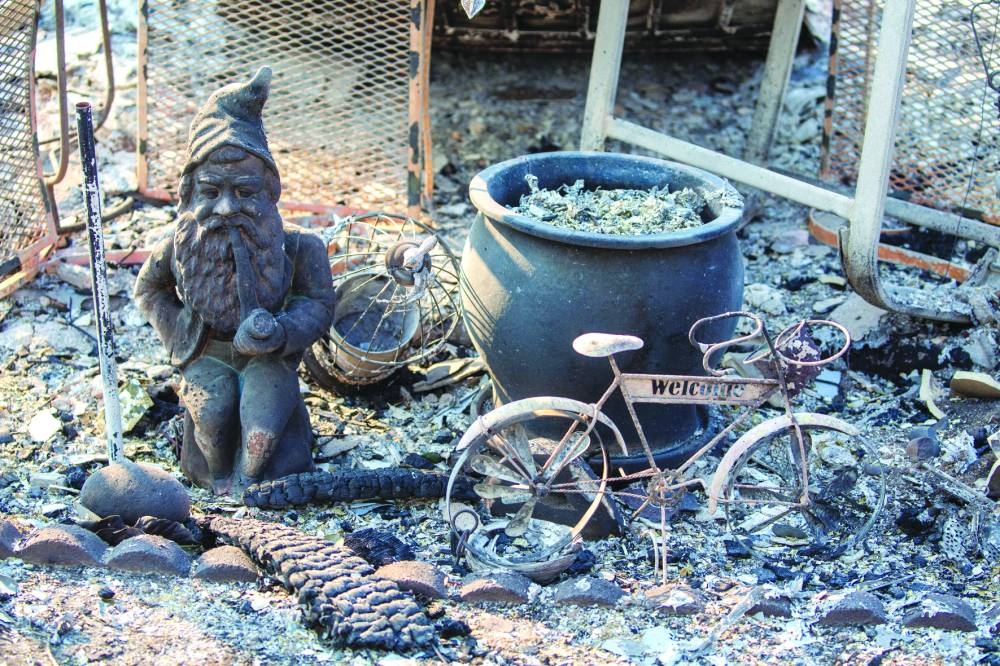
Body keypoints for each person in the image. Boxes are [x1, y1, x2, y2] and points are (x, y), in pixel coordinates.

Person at [134, 67, 335, 494]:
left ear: (269, 193)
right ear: (189, 193)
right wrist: (183, 339)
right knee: (211, 411)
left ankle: (254, 481)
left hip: (268, 358)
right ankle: (215, 478)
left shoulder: (300, 247)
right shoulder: (178, 245)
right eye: (210, 192)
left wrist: (280, 332)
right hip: (207, 353)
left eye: (244, 193)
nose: (226, 208)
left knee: (264, 416)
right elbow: (148, 291)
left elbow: (318, 303)